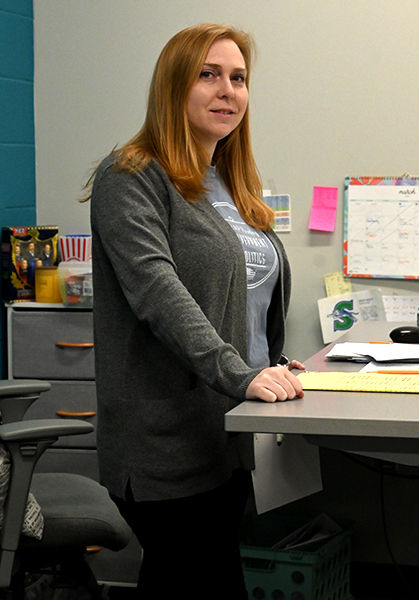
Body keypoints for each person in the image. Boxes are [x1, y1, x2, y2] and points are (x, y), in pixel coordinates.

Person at [85, 23, 305, 599]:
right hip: (166, 441)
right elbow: (158, 292)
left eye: (238, 78)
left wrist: (273, 362)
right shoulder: (131, 176)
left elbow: (247, 296)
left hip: (229, 433)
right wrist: (243, 372)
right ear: (172, 87)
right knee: (194, 579)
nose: (226, 89)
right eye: (207, 74)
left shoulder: (231, 184)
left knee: (206, 579)